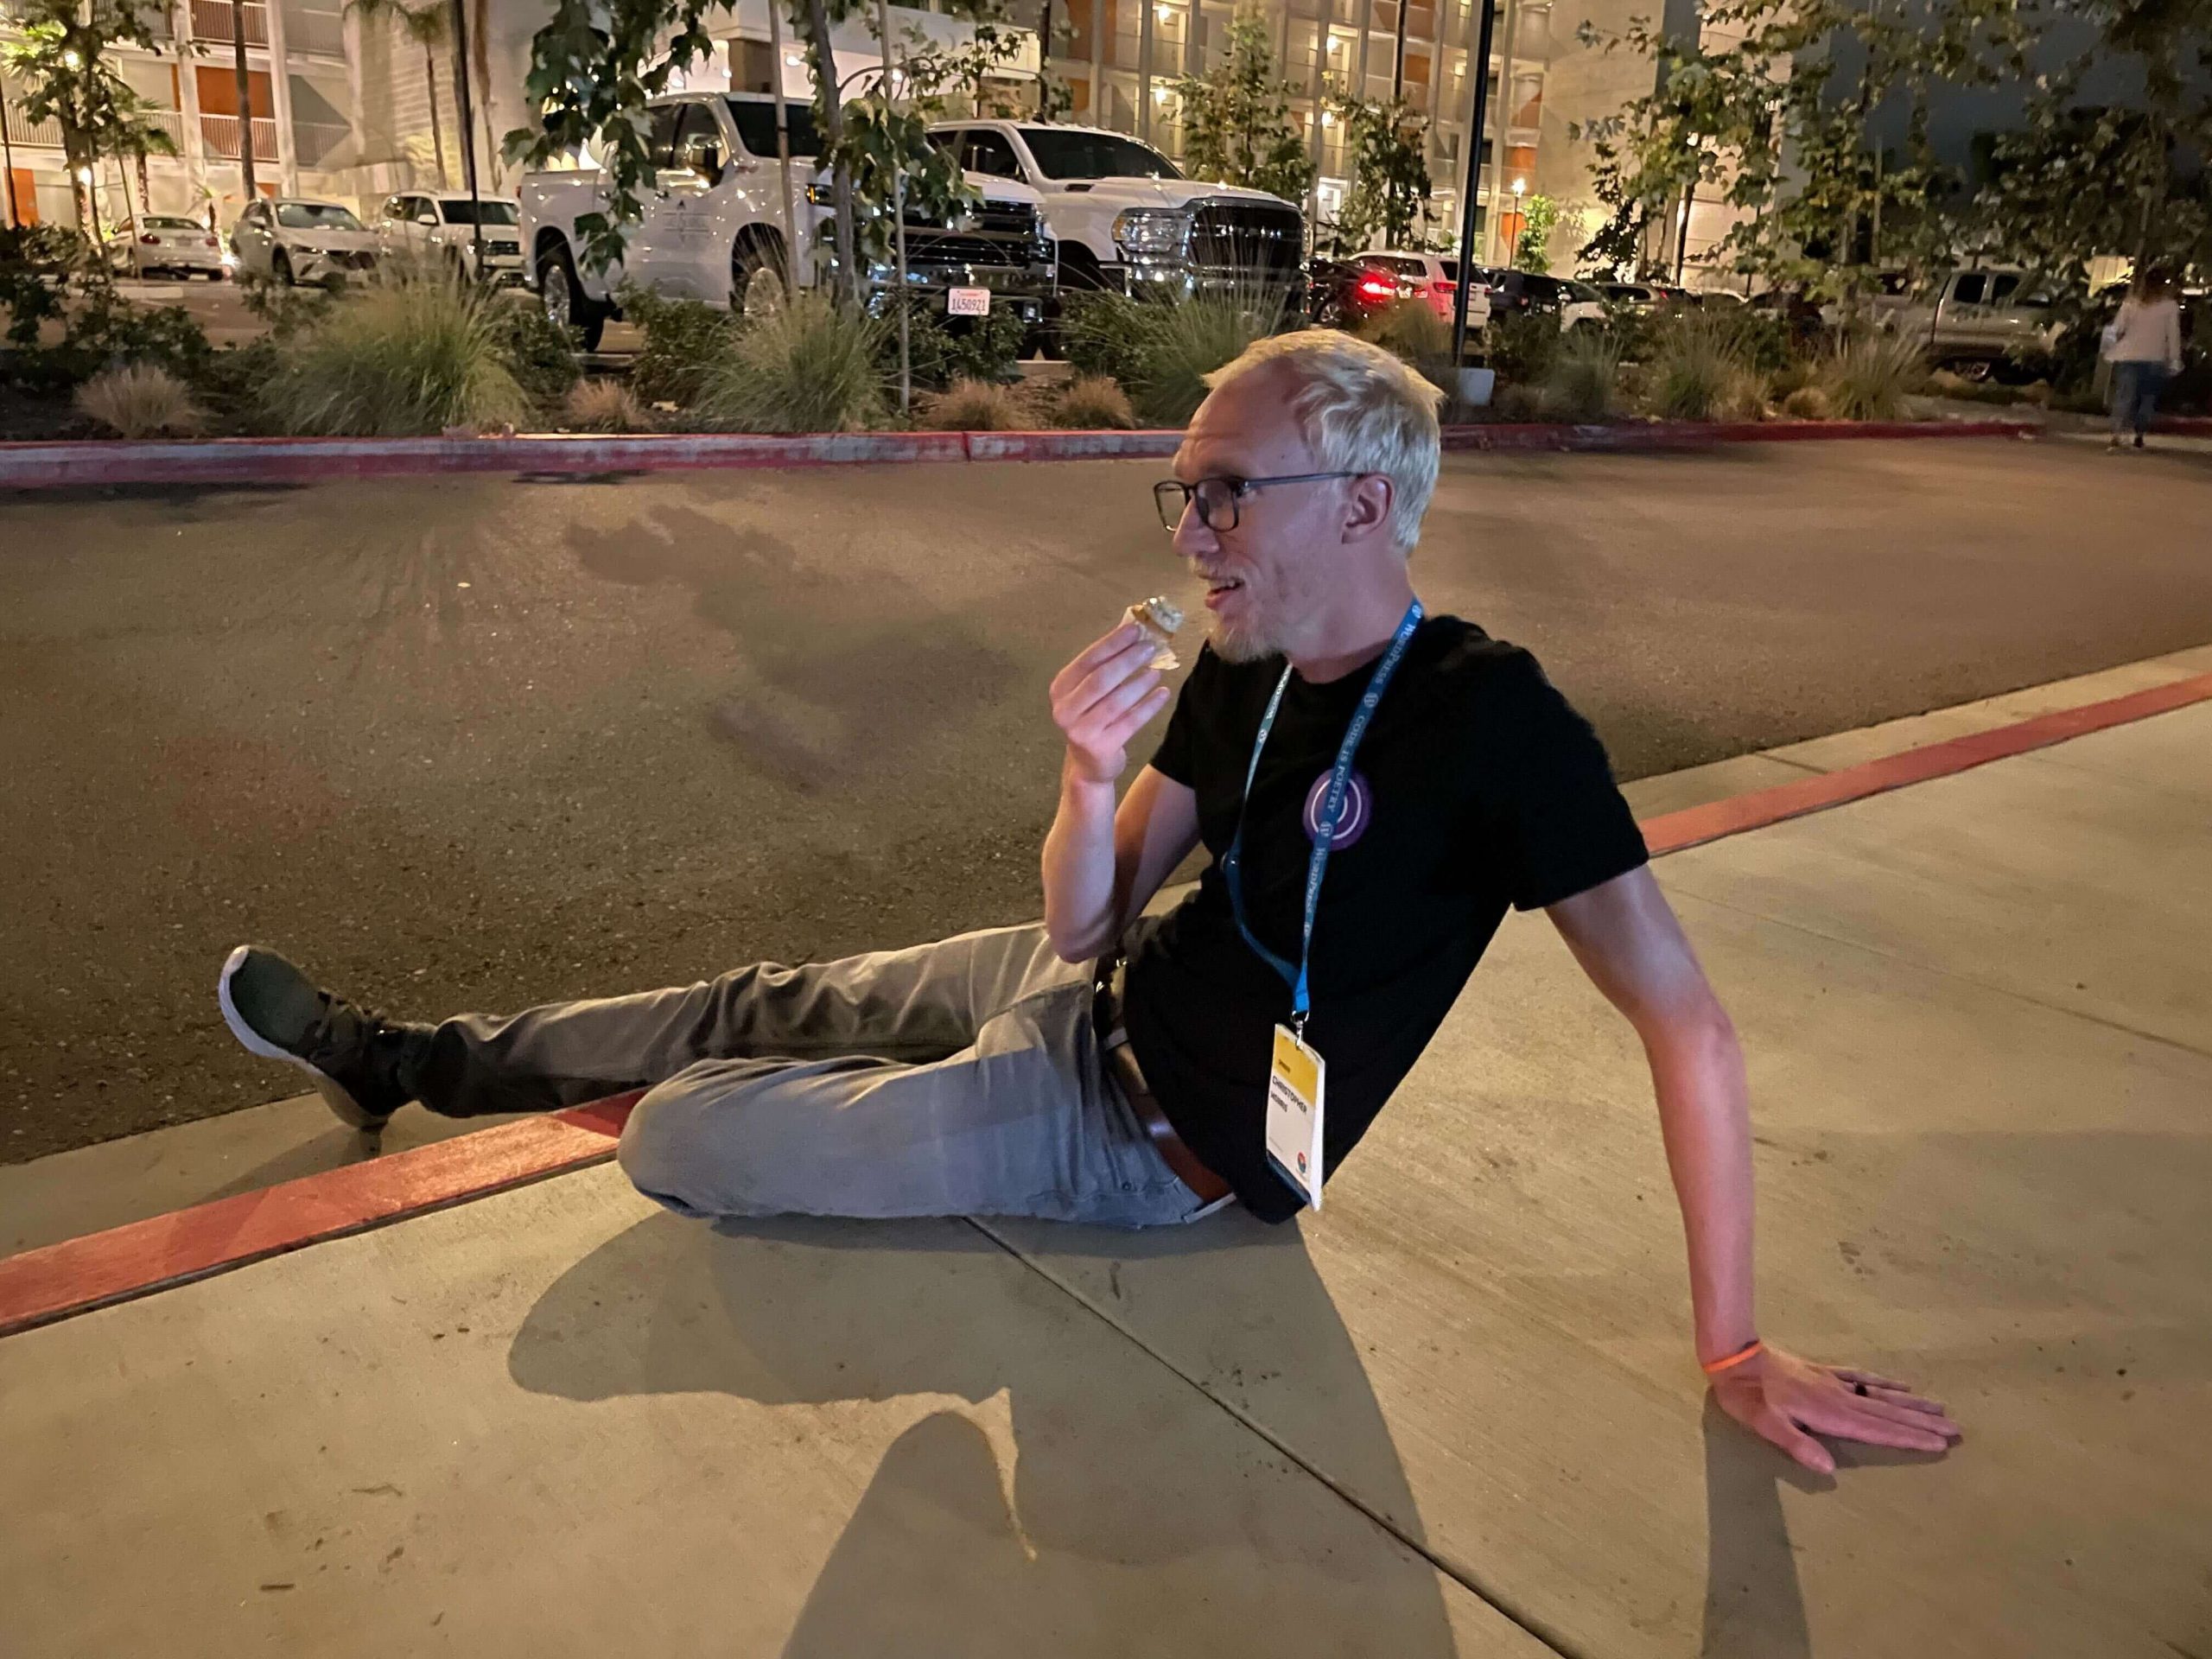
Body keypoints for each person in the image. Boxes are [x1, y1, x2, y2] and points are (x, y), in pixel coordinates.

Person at [217, 331, 1961, 1474]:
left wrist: (1729, 1342)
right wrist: (1075, 779)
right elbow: (1076, 918)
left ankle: (808, 1146)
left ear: (1360, 500)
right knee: (751, 991)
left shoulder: (1494, 727)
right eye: (1180, 492)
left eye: (1224, 493)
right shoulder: (1243, 665)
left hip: (1139, 1140)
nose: (1191, 531)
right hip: (1083, 992)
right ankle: (412, 1059)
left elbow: (1685, 1019)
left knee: (686, 1134)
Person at [2103, 268, 2185, 450]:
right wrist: (2174, 360)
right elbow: (2173, 336)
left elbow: (2116, 329)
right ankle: (2139, 436)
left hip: (2129, 356)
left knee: (2124, 396)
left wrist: (2108, 349)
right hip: (2155, 358)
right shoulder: (2169, 307)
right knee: (2147, 399)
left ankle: (2117, 434)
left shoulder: (2131, 304)